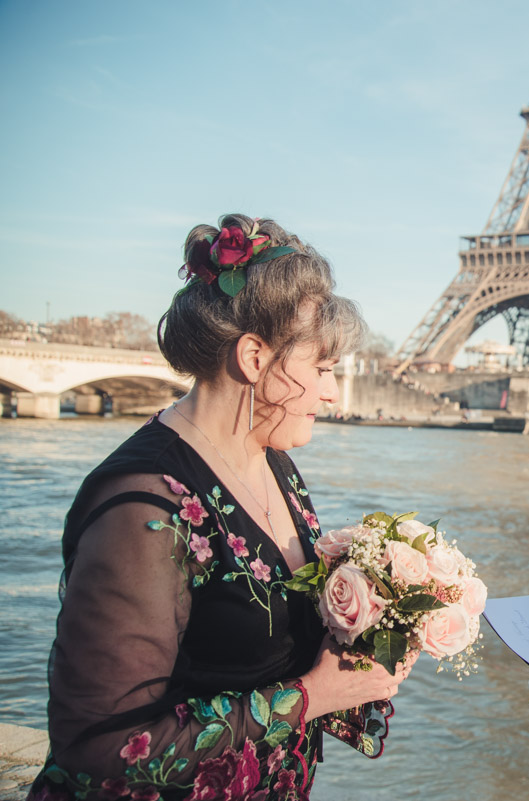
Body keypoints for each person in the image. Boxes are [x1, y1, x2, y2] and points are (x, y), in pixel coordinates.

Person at [27, 214, 414, 801]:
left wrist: (366, 650)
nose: (333, 393)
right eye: (323, 368)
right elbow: (99, 748)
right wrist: (314, 696)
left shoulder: (273, 458)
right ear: (255, 358)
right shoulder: (143, 508)